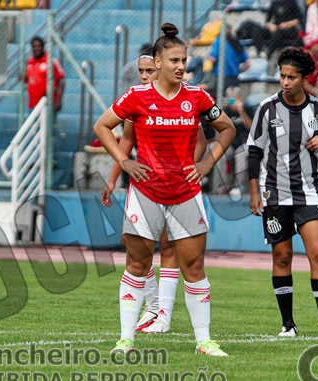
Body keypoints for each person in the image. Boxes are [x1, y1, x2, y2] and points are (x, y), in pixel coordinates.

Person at [93, 23, 236, 356]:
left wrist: (206, 165)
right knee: (136, 265)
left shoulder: (198, 96)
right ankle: (126, 339)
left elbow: (227, 129)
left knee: (194, 267)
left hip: (186, 195)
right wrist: (124, 162)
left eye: (184, 60)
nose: (181, 66)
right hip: (146, 194)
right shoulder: (137, 96)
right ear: (157, 62)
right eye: (174, 60)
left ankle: (204, 341)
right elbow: (102, 126)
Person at [247, 47, 318, 339]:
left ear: (305, 79)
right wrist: (254, 191)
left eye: (291, 77)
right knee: (282, 257)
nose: (285, 82)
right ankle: (288, 324)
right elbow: (254, 151)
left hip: (308, 192)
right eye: (282, 76)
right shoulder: (267, 108)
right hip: (273, 193)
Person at [100, 46, 207, 335]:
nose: (145, 76)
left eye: (150, 70)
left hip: (175, 186)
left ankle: (162, 314)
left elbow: (200, 139)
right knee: (132, 245)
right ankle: (153, 305)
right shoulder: (137, 100)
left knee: (168, 245)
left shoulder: (184, 100)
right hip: (143, 179)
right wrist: (113, 178)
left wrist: (190, 168)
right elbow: (125, 143)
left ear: (160, 67)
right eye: (142, 71)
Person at [24, 36, 65, 113]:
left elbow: (61, 81)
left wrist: (59, 100)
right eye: (34, 47)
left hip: (48, 103)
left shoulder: (51, 60)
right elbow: (30, 79)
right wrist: (24, 78)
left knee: (47, 121)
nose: (36, 49)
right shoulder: (30, 61)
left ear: (43, 47)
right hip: (33, 103)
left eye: (39, 46)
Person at [208, 25, 251, 91]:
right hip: (234, 78)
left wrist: (208, 55)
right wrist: (237, 71)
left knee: (221, 97)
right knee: (233, 96)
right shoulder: (237, 42)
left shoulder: (219, 40)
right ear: (231, 31)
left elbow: (213, 59)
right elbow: (248, 64)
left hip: (221, 78)